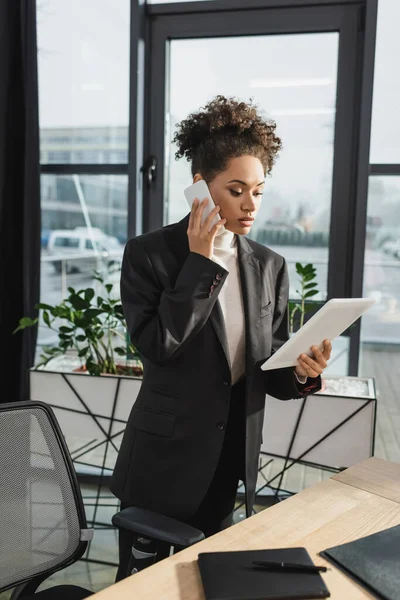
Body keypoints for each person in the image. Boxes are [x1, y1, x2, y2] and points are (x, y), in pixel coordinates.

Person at [110, 95, 332, 579]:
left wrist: (301, 372)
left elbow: (268, 368)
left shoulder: (269, 265)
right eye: (236, 190)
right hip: (160, 467)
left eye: (258, 190)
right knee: (138, 587)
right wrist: (202, 261)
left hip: (229, 464)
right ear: (200, 188)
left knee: (212, 586)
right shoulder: (149, 255)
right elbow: (158, 347)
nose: (251, 204)